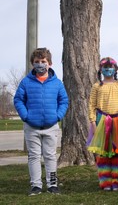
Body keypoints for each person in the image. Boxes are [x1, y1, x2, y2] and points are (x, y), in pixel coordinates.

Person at [14, 47, 69, 196]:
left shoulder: (57, 83)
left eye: (43, 61)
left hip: (51, 126)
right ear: (33, 64)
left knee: (50, 155)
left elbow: (64, 101)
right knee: (34, 156)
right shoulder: (26, 82)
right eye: (37, 62)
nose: (40, 64)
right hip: (32, 127)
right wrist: (26, 116)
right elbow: (18, 100)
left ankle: (52, 184)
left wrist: (58, 116)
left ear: (49, 63)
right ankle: (36, 186)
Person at [86, 57, 118, 191]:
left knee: (117, 152)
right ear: (101, 70)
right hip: (102, 121)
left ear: (115, 69)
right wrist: (93, 122)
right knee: (104, 152)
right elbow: (92, 105)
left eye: (110, 67)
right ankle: (105, 181)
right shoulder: (96, 86)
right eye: (105, 67)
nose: (108, 70)